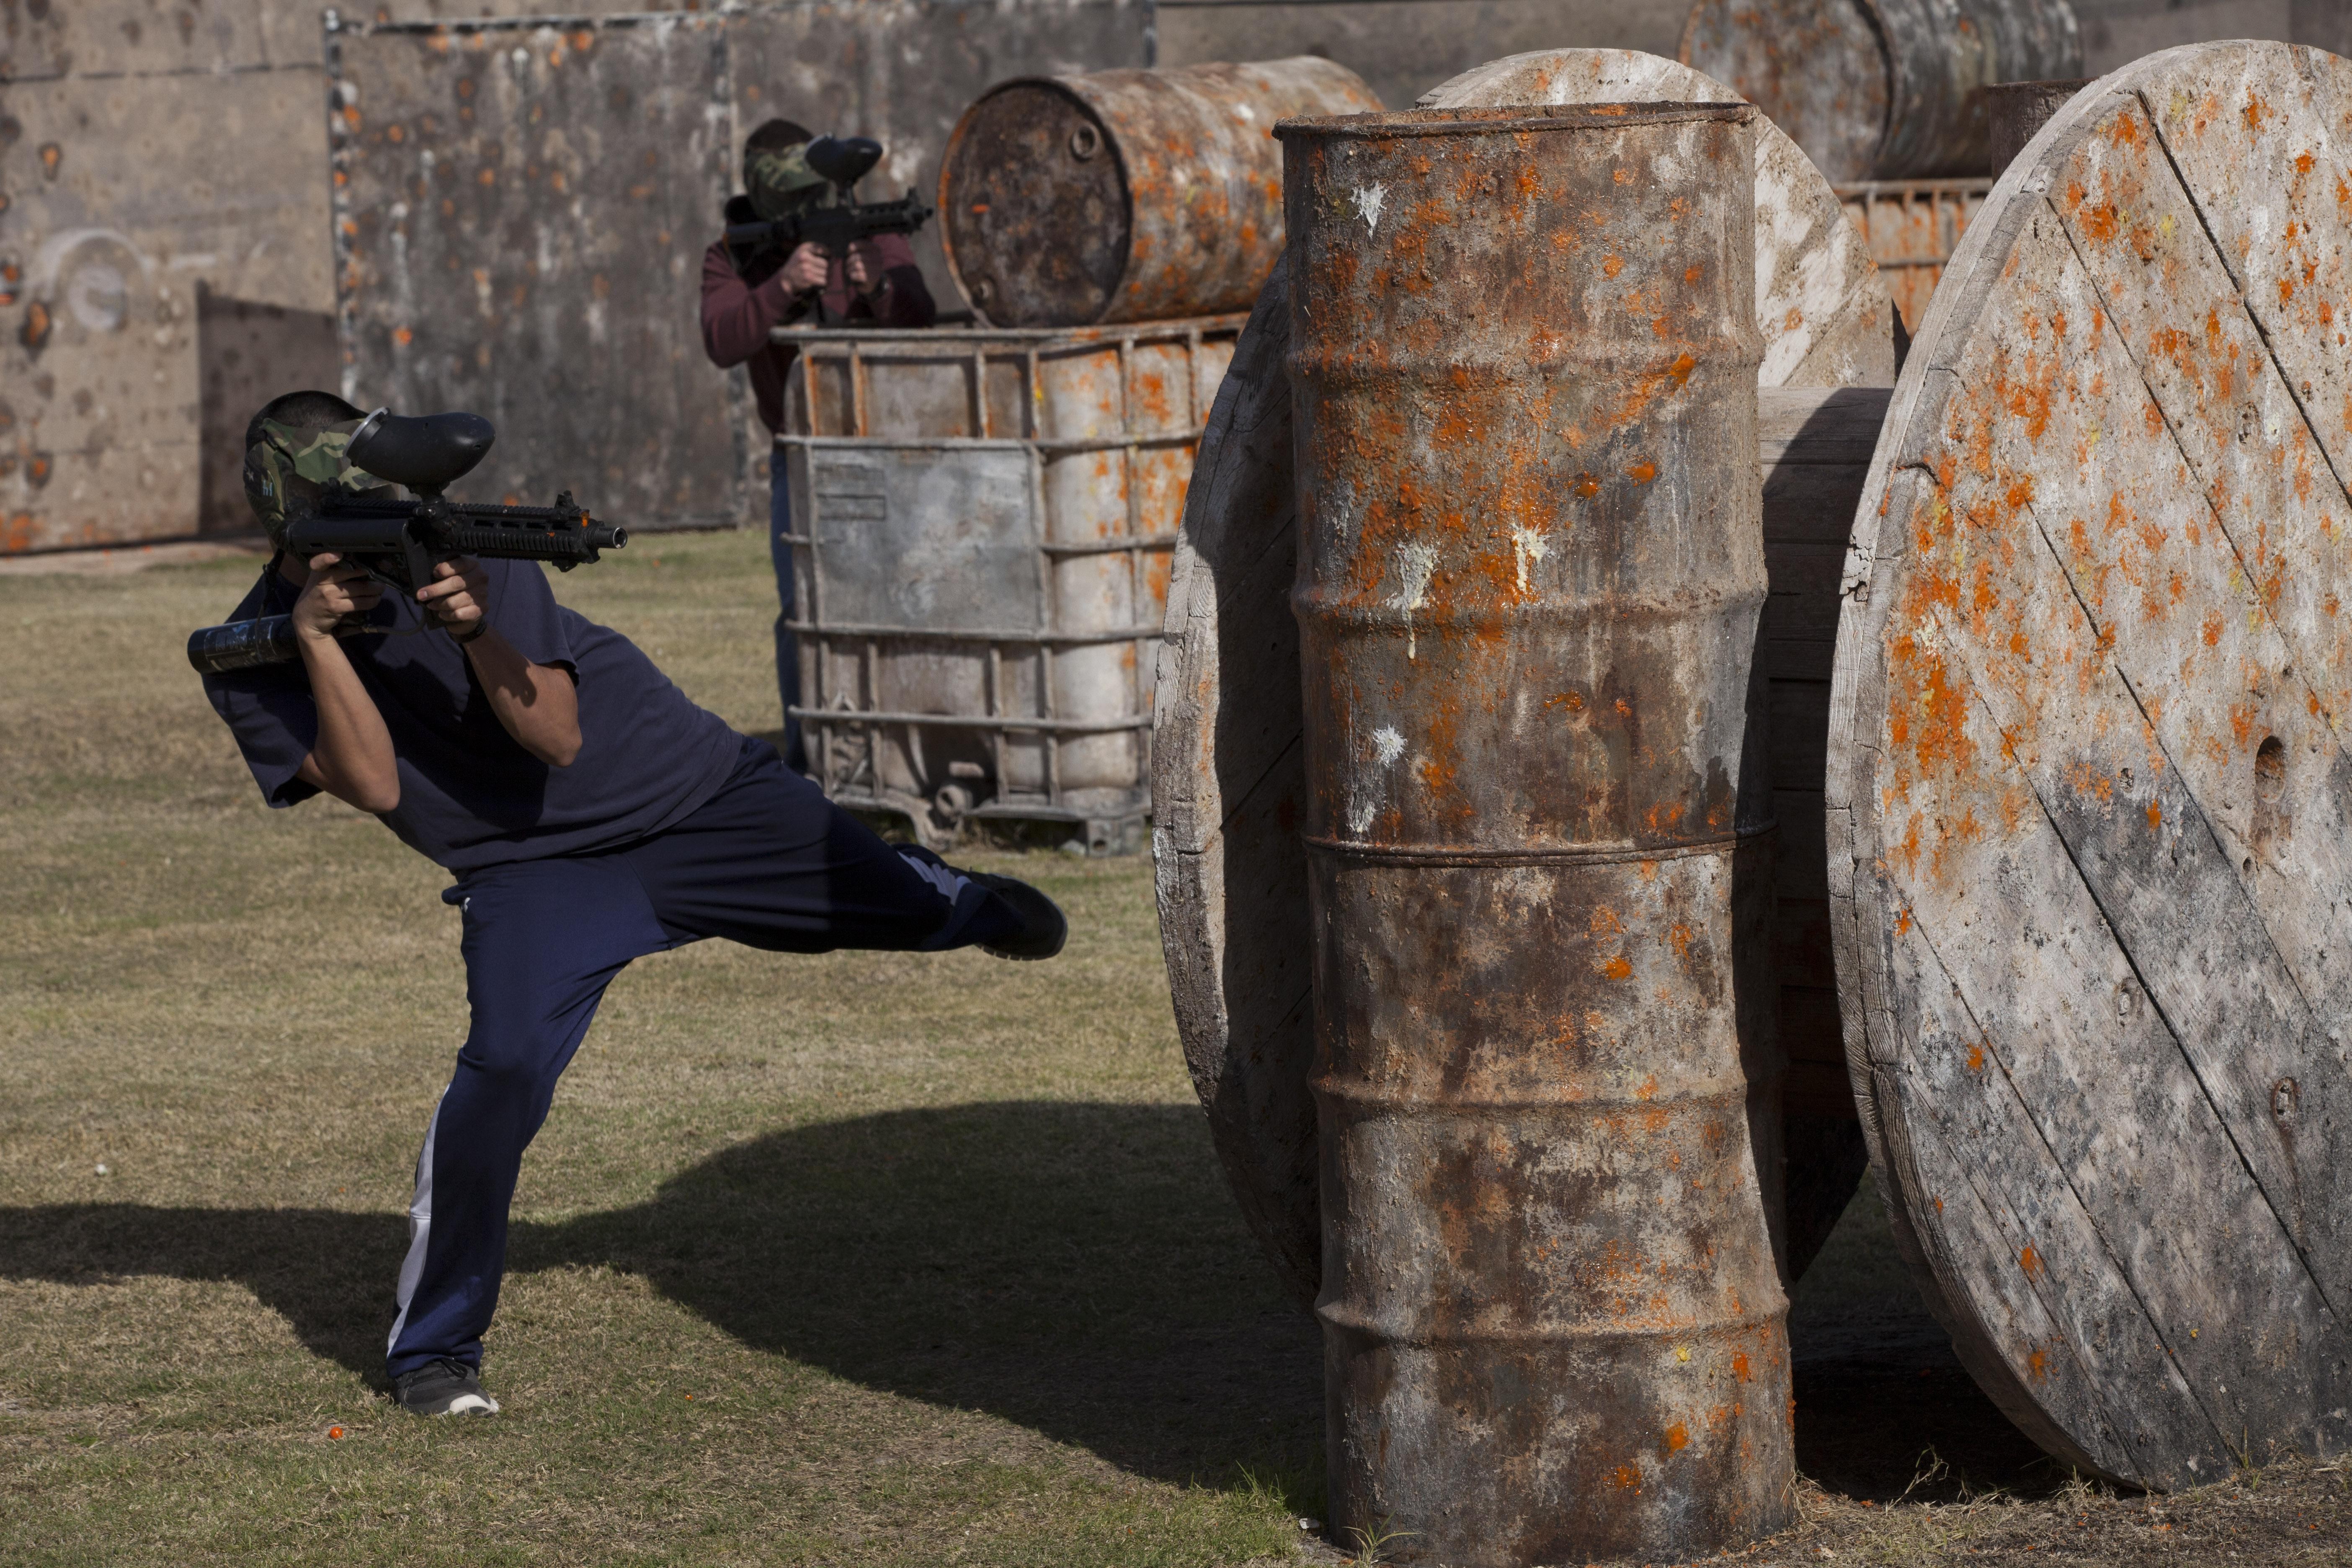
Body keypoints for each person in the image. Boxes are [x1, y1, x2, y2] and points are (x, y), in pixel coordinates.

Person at [201, 391, 1062, 1417]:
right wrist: (321, 641)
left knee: (895, 906)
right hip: (532, 873)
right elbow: (376, 784)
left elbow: (555, 735)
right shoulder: (254, 650)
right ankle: (433, 1353)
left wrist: (474, 626)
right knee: (505, 1066)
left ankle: (962, 898)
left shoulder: (465, 547)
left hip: (693, 791)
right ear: (288, 520)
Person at [700, 118, 937, 773]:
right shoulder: (736, 250)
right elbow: (721, 339)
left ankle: (903, 760)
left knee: (901, 602)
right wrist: (784, 286)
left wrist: (877, 288)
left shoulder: (873, 229)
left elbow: (920, 317)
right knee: (802, 612)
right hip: (799, 456)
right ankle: (812, 759)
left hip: (883, 451)